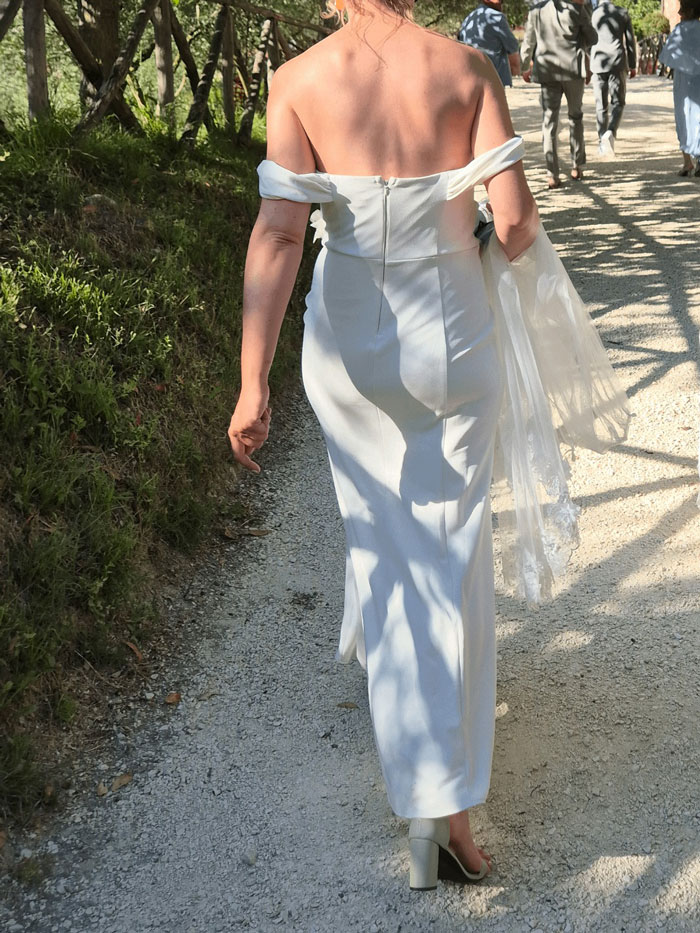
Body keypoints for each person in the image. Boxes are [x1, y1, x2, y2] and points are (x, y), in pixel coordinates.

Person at [228, 0, 628, 891]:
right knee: (451, 553)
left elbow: (280, 233)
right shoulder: (464, 71)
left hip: (347, 336)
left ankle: (419, 784)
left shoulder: (296, 81)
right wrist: (473, 240)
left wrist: (253, 382)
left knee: (382, 548)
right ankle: (443, 810)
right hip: (448, 326)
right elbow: (517, 222)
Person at [521, 0, 598, 188]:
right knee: (575, 117)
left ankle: (552, 174)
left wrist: (524, 66)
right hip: (573, 71)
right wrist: (583, 13)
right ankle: (577, 165)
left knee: (549, 122)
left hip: (547, 71)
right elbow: (593, 38)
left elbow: (529, 40)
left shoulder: (536, 10)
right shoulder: (577, 7)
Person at [590, 0, 637, 156]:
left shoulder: (593, 13)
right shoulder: (622, 13)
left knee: (600, 104)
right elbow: (630, 41)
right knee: (618, 101)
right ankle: (610, 131)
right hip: (617, 61)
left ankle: (601, 140)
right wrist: (632, 64)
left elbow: (586, 39)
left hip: (597, 62)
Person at [659, 0, 700, 176]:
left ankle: (687, 162)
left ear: (690, 11)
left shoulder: (679, 31)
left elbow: (667, 57)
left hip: (684, 80)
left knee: (683, 116)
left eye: (682, 10)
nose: (680, 13)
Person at [457, 0, 521, 87]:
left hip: (471, 77)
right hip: (494, 80)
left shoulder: (469, 18)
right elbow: (513, 46)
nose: (500, 3)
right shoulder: (496, 17)